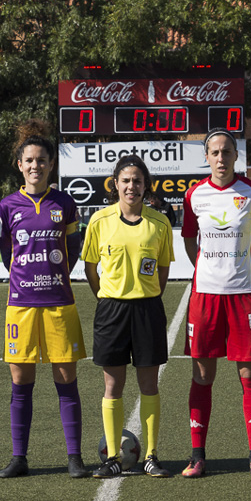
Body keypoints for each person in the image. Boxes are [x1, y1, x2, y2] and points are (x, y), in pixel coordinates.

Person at [0, 122, 88, 479]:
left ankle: (74, 457)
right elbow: (6, 251)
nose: (36, 166)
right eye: (29, 160)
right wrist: (25, 274)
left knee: (66, 380)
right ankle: (19, 457)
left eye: (42, 160)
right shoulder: (7, 206)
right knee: (21, 382)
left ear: (51, 165)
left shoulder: (65, 203)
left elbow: (74, 247)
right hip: (21, 304)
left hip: (59, 303)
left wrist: (56, 274)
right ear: (20, 165)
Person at [180, 129, 251, 479]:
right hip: (205, 297)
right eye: (215, 152)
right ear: (207, 157)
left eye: (227, 152)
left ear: (237, 156)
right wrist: (208, 270)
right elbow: (191, 241)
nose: (221, 158)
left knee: (249, 374)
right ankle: (197, 456)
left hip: (244, 296)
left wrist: (243, 269)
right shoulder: (195, 195)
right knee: (203, 375)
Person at [82, 155, 174, 479]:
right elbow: (90, 268)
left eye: (137, 180)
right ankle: (111, 457)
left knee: (149, 385)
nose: (131, 186)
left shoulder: (159, 224)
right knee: (113, 384)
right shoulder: (99, 221)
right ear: (115, 184)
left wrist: (146, 296)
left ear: (145, 185)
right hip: (112, 310)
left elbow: (163, 271)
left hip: (147, 309)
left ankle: (150, 455)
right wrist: (107, 296)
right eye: (126, 180)